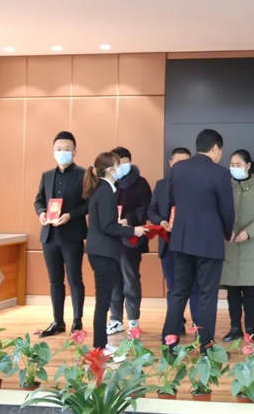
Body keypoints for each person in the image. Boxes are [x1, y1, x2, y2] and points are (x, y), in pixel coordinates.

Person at [161, 129, 234, 351]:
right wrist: (227, 232)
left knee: (178, 292)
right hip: (209, 243)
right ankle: (205, 345)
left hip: (182, 241)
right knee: (207, 295)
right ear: (215, 148)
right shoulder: (220, 173)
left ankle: (169, 343)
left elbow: (171, 201)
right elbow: (227, 210)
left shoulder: (178, 169)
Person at [82, 152, 146, 355]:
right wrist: (132, 230)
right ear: (110, 170)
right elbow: (108, 226)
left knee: (104, 299)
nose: (121, 170)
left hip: (101, 251)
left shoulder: (103, 189)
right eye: (118, 166)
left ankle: (100, 344)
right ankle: (99, 346)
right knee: (103, 301)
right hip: (103, 252)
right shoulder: (105, 191)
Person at [33, 131, 87, 337]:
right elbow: (38, 200)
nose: (62, 152)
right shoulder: (47, 176)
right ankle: (58, 321)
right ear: (53, 151)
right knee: (55, 281)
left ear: (74, 151)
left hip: (72, 235)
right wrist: (41, 213)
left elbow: (88, 204)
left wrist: (70, 215)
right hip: (49, 236)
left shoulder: (84, 174)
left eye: (67, 149)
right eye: (59, 149)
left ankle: (77, 321)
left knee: (74, 279)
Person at [220, 149, 254, 342]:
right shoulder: (225, 186)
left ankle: (250, 330)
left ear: (248, 166)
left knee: (250, 292)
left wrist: (248, 232)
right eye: (232, 165)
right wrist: (226, 229)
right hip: (230, 246)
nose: (234, 168)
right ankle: (235, 327)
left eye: (238, 165)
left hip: (251, 247)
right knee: (233, 291)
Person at [148, 147, 200, 336]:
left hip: (191, 244)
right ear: (170, 163)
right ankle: (175, 325)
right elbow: (151, 210)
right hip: (168, 244)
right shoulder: (161, 185)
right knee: (173, 288)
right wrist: (161, 221)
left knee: (195, 287)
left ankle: (199, 327)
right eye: (178, 162)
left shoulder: (198, 185)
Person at [106, 147, 152, 335]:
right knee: (113, 280)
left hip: (131, 239)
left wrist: (129, 219)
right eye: (118, 162)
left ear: (130, 162)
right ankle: (115, 319)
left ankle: (133, 321)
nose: (121, 165)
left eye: (125, 162)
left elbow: (146, 208)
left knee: (130, 279)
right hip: (111, 239)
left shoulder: (141, 183)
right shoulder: (108, 182)